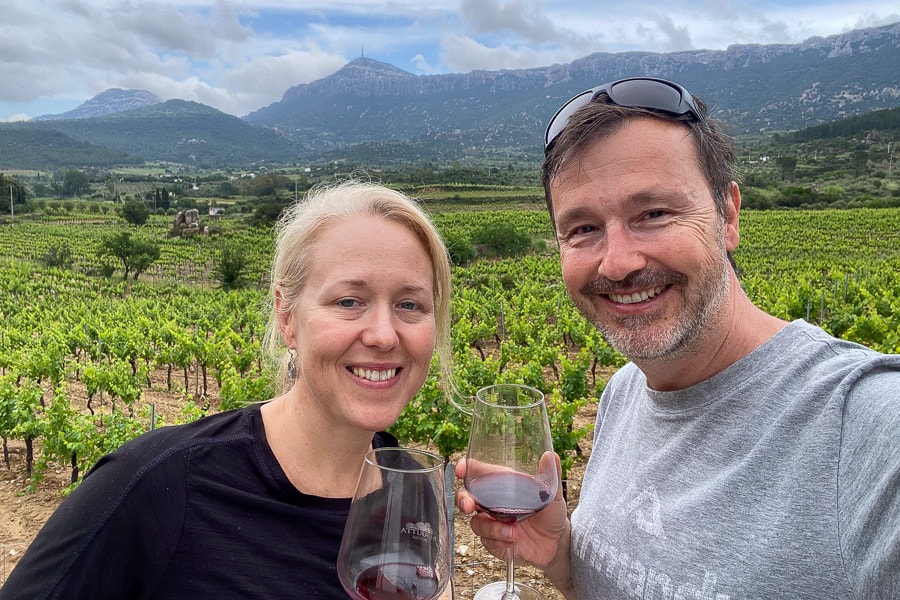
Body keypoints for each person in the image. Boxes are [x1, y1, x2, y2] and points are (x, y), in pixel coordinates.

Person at [457, 77, 900, 599]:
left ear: (728, 216)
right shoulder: (622, 393)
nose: (618, 263)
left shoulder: (872, 427)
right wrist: (560, 557)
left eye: (654, 214)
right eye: (582, 229)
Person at [0, 180, 455, 599]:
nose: (383, 334)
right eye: (348, 301)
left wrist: (526, 558)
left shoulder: (411, 489)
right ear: (286, 316)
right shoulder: (157, 485)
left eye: (410, 304)